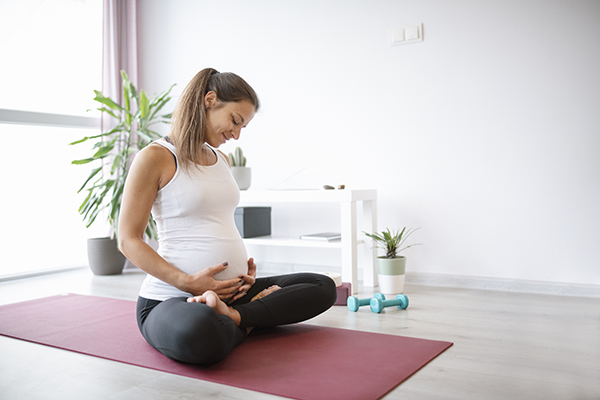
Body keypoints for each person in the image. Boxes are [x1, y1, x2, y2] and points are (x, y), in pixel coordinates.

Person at [118, 68, 337, 365]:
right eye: (235, 121)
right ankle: (246, 321)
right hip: (170, 298)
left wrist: (242, 274)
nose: (236, 135)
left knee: (322, 286)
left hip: (232, 293)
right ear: (210, 100)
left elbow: (216, 220)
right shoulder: (155, 157)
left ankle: (234, 315)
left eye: (242, 127)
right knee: (200, 332)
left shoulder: (222, 159)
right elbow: (128, 240)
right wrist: (188, 282)